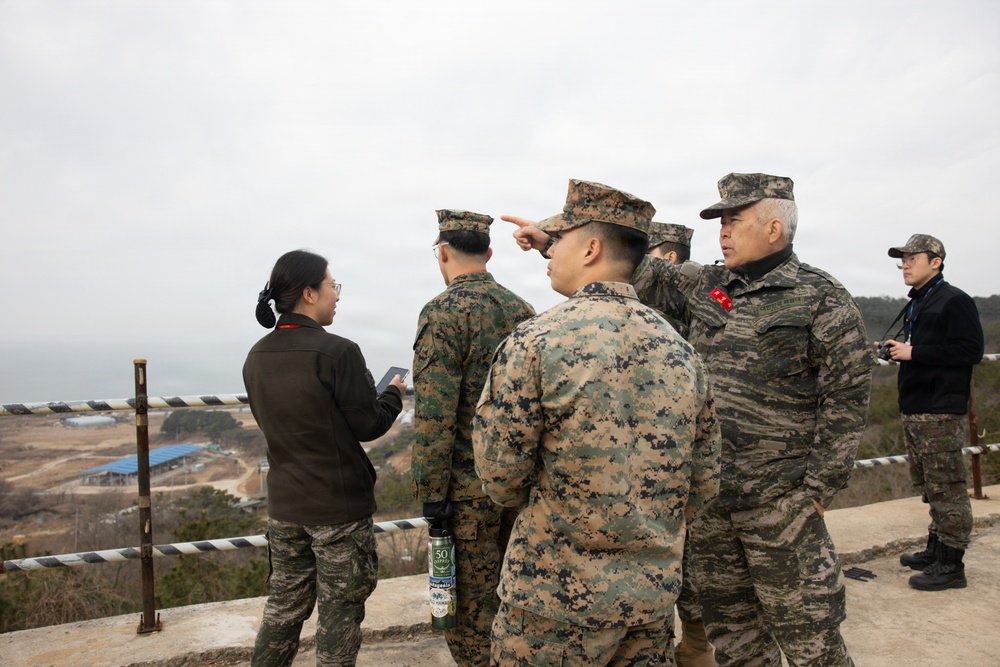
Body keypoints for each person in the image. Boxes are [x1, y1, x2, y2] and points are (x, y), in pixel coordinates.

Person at [505, 172, 876, 667]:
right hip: (713, 504)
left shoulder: (821, 298)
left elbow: (847, 395)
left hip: (781, 505)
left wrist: (818, 490)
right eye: (719, 221)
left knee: (811, 641)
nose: (722, 231)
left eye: (734, 220)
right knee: (736, 639)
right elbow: (627, 264)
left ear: (773, 228)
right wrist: (551, 240)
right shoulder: (709, 285)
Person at [474, 179, 721, 666]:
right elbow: (704, 483)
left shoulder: (536, 342)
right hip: (648, 606)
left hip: (551, 607)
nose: (549, 253)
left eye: (557, 240)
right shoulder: (682, 353)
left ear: (590, 248)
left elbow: (500, 475)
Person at [244, 249, 406, 667]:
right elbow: (368, 425)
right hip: (337, 508)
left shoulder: (256, 356)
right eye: (333, 286)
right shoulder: (337, 352)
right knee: (339, 613)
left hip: (285, 507)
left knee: (283, 610)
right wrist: (392, 394)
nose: (337, 295)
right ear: (309, 293)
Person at [411, 209, 535, 666]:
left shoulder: (441, 314)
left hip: (465, 497)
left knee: (468, 616)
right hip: (518, 490)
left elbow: (434, 416)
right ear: (488, 252)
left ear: (442, 253)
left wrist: (430, 492)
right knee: (518, 600)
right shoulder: (522, 310)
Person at [879, 234, 983, 591]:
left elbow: (970, 350)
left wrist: (915, 353)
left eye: (912, 258)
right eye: (902, 260)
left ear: (935, 261)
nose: (905, 265)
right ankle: (937, 550)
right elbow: (925, 346)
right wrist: (897, 349)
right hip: (917, 408)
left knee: (947, 488)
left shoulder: (953, 300)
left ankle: (952, 566)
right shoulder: (920, 301)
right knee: (930, 486)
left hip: (939, 410)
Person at [648, 221, 712, 667]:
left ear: (668, 258)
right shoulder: (700, 298)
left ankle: (693, 645)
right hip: (688, 445)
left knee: (682, 556)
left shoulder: (673, 306)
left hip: (671, 446)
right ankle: (695, 645)